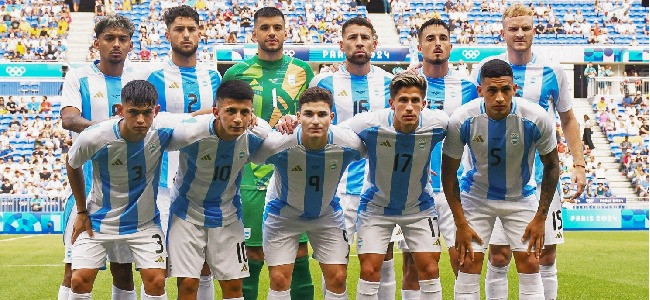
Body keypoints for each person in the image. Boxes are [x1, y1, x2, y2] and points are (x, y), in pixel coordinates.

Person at [470, 5, 586, 299]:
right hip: (498, 177)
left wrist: (579, 164)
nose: (519, 34)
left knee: (545, 255)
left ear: (535, 31)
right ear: (503, 32)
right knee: (498, 256)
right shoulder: (483, 70)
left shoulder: (552, 70)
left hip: (542, 177)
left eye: (525, 28)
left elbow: (568, 118)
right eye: (513, 29)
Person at [66, 80, 215, 300]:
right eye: (133, 112)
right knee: (78, 280)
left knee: (156, 280)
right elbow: (72, 162)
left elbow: (195, 118)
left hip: (143, 224)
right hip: (99, 221)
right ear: (120, 111)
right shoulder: (95, 136)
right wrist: (80, 211)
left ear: (156, 111)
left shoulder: (161, 126)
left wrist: (221, 112)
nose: (140, 120)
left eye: (147, 113)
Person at [442, 59, 560, 299]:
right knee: (468, 266)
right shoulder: (462, 119)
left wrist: (540, 217)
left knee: (530, 265)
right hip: (476, 198)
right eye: (492, 90)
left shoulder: (536, 118)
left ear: (514, 89)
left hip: (520, 197)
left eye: (505, 90)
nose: (499, 98)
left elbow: (552, 166)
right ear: (480, 91)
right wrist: (460, 222)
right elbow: (448, 172)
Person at [222, 7, 315, 300]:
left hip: (292, 174)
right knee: (252, 253)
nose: (271, 33)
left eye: (277, 27)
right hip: (249, 174)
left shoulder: (303, 71)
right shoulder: (236, 73)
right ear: (254, 34)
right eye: (264, 28)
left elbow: (313, 115)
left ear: (287, 32)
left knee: (298, 250)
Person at [135, 6, 223, 298]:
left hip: (201, 186)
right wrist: (195, 118)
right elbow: (145, 122)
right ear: (167, 33)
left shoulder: (212, 76)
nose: (186, 35)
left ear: (200, 32)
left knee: (203, 267)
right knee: (156, 271)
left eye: (191, 29)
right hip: (159, 184)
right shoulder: (154, 75)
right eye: (179, 29)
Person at [308, 17, 398, 300]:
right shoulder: (324, 82)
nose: (359, 42)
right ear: (341, 44)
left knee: (382, 262)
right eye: (352, 37)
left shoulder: (389, 84)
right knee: (335, 267)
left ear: (375, 43)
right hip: (336, 189)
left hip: (379, 189)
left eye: (364, 37)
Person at [252, 87, 365, 300]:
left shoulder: (349, 144)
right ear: (298, 117)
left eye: (322, 114)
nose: (315, 121)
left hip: (327, 215)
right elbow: (248, 156)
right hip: (282, 216)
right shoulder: (279, 144)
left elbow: (380, 150)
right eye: (308, 114)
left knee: (338, 278)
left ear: (331, 117)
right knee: (279, 280)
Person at [343, 73, 448, 300]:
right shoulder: (369, 123)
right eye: (403, 100)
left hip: (419, 208)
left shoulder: (438, 124)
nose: (409, 107)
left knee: (429, 269)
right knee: (370, 270)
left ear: (424, 104)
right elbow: (332, 134)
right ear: (392, 104)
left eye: (415, 100)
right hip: (376, 208)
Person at [397, 17, 480, 300]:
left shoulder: (468, 88)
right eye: (430, 39)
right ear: (419, 46)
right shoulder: (405, 86)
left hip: (454, 189)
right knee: (414, 267)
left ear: (451, 45)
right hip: (414, 190)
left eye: (442, 38)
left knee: (464, 262)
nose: (437, 44)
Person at [167, 80, 270, 300]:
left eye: (245, 112)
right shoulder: (189, 133)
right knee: (187, 284)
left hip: (228, 215)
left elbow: (283, 139)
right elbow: (154, 125)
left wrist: (289, 120)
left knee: (233, 288)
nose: (238, 119)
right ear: (216, 111)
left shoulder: (258, 135)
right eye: (230, 111)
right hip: (186, 215)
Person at [59, 15, 137, 300]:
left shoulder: (138, 80)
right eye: (109, 38)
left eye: (122, 39)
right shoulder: (79, 75)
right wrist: (110, 130)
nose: (116, 44)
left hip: (126, 191)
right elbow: (68, 118)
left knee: (123, 270)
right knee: (74, 270)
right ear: (97, 43)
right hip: (86, 188)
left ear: (130, 45)